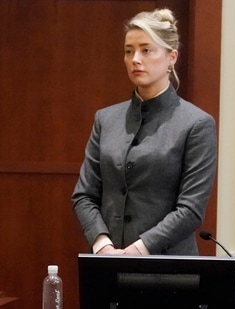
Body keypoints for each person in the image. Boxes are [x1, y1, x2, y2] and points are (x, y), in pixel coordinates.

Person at [72, 8, 217, 256]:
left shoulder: (196, 124)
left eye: (146, 50)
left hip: (168, 269)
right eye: (129, 51)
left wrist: (138, 249)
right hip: (107, 264)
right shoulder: (106, 119)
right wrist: (102, 245)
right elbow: (84, 196)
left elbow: (191, 209)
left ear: (172, 57)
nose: (135, 59)